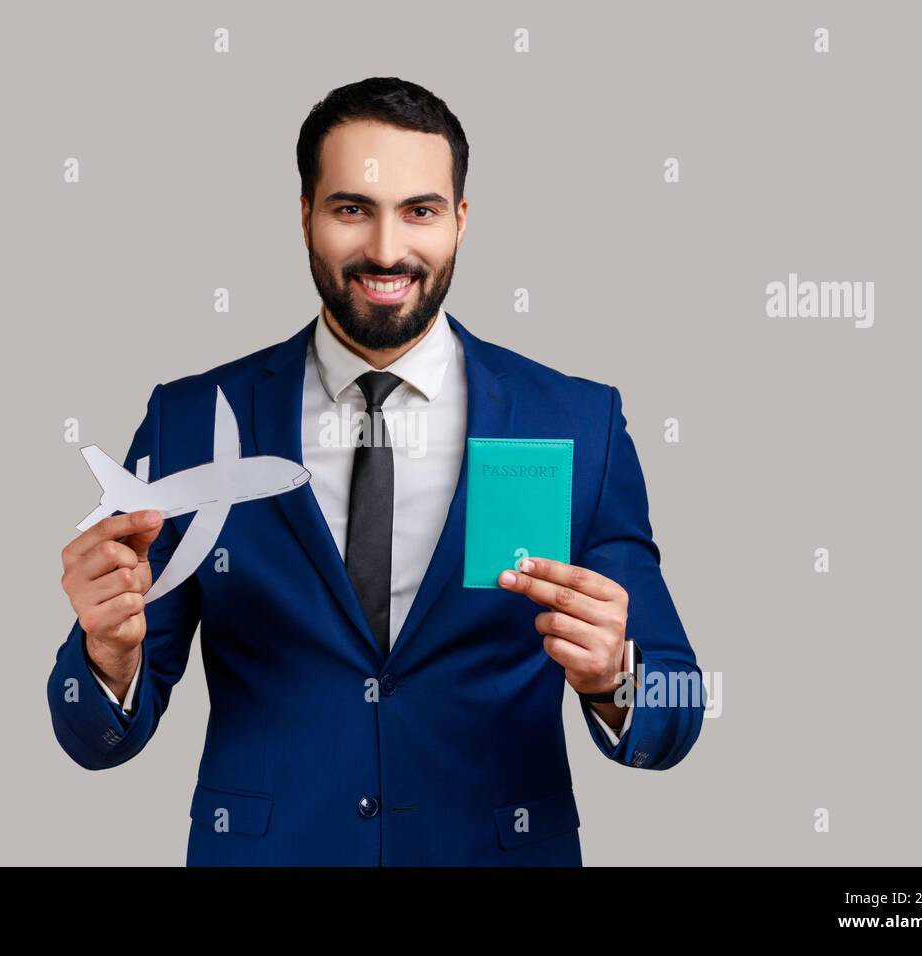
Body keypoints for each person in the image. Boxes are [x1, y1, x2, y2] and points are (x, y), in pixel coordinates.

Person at [49, 77, 704, 866]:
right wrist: (106, 657)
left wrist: (615, 678)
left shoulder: (575, 423)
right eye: (352, 208)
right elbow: (93, 736)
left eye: (420, 211)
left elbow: (678, 704)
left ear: (461, 222)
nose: (387, 250)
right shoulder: (190, 421)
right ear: (305, 216)